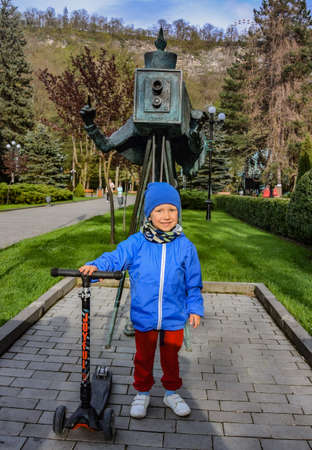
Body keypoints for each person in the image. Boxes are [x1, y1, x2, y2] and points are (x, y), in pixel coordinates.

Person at [79, 182, 204, 419]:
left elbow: (193, 282)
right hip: (145, 314)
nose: (166, 216)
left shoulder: (185, 246)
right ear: (149, 214)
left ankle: (171, 392)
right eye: (159, 210)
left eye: (171, 210)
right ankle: (142, 393)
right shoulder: (137, 243)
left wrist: (195, 308)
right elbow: (115, 257)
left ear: (178, 212)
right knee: (143, 358)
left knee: (171, 359)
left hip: (174, 316)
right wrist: (97, 266)